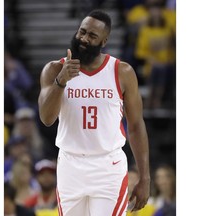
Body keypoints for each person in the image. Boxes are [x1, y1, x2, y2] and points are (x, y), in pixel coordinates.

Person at [38, 10, 150, 215]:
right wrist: (61, 81)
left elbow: (135, 126)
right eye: (82, 32)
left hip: (108, 166)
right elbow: (46, 118)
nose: (83, 39)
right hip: (70, 165)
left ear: (104, 41)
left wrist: (145, 177)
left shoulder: (121, 72)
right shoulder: (55, 69)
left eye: (92, 36)